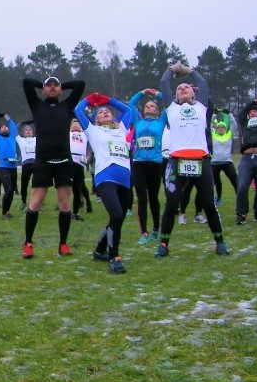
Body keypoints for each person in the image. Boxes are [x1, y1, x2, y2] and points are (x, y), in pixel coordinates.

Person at [155, 62, 227, 258]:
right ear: (175, 97)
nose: (183, 89)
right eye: (179, 89)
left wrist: (189, 71)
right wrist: (172, 69)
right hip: (176, 162)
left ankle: (220, 242)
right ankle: (163, 244)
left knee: (208, 203)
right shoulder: (171, 109)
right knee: (171, 204)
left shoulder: (202, 107)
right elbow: (164, 82)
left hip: (201, 161)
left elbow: (202, 82)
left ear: (194, 94)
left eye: (186, 87)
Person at [21, 75, 85, 258]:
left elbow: (80, 84)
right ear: (42, 90)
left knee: (64, 203)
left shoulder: (67, 106)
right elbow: (26, 82)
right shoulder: (36, 105)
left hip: (64, 160)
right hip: (42, 161)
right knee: (35, 202)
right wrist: (45, 84)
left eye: (55, 86)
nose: (52, 88)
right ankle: (28, 243)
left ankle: (63, 244)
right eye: (48, 86)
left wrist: (61, 85)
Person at [75, 93, 133, 273]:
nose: (106, 112)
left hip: (124, 180)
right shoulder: (93, 130)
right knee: (116, 215)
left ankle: (100, 250)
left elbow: (128, 110)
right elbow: (77, 110)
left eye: (108, 111)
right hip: (105, 177)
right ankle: (114, 257)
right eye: (101, 112)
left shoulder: (121, 129)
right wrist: (91, 99)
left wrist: (109, 100)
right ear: (96, 120)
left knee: (119, 218)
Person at [127, 88, 168, 245]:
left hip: (155, 164)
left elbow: (170, 103)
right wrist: (142, 93)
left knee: (153, 198)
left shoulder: (161, 122)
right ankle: (143, 231)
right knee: (142, 198)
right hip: (138, 164)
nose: (148, 107)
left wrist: (157, 94)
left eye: (152, 106)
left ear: (157, 111)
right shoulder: (138, 121)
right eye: (146, 106)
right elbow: (131, 104)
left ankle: (156, 229)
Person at [0, 112, 18, 220]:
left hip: (13, 167)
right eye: (2, 127)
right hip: (3, 167)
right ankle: (3, 213)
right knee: (8, 189)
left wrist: (6, 115)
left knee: (12, 191)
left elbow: (13, 124)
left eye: (6, 126)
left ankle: (7, 211)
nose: (5, 127)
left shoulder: (12, 137)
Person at [210, 120, 238, 206]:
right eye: (219, 127)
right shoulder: (213, 134)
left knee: (235, 181)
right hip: (215, 162)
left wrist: (229, 115)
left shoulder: (229, 134)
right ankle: (218, 198)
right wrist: (214, 114)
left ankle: (240, 198)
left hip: (227, 162)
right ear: (216, 128)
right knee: (216, 181)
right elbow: (209, 124)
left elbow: (234, 124)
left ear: (225, 129)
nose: (221, 129)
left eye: (223, 127)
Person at [69, 118, 93, 220]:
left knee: (78, 188)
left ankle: (76, 212)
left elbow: (89, 124)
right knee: (66, 188)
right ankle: (68, 211)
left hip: (79, 164)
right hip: (69, 162)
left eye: (78, 124)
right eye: (73, 124)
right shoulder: (68, 134)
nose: (76, 125)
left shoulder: (84, 135)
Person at [16, 122, 37, 211]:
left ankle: (38, 202)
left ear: (33, 132)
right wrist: (22, 123)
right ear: (23, 133)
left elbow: (40, 127)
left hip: (36, 163)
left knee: (37, 185)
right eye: (26, 130)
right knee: (24, 185)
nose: (28, 131)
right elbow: (15, 129)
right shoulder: (20, 139)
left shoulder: (37, 139)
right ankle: (24, 202)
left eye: (30, 129)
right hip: (25, 164)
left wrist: (33, 121)